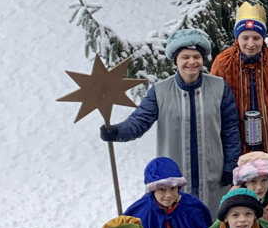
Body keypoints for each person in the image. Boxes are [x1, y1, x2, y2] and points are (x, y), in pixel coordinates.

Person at [101, 29, 241, 215]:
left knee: (212, 224)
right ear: (176, 60)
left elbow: (231, 130)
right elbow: (139, 121)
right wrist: (117, 132)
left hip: (213, 176)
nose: (191, 62)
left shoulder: (219, 88)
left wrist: (230, 166)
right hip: (174, 180)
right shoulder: (160, 91)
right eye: (185, 57)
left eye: (196, 57)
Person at [211, 2, 268, 191]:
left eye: (256, 38)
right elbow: (215, 106)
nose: (251, 44)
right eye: (245, 37)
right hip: (237, 136)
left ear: (263, 38)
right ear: (237, 37)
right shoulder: (223, 62)